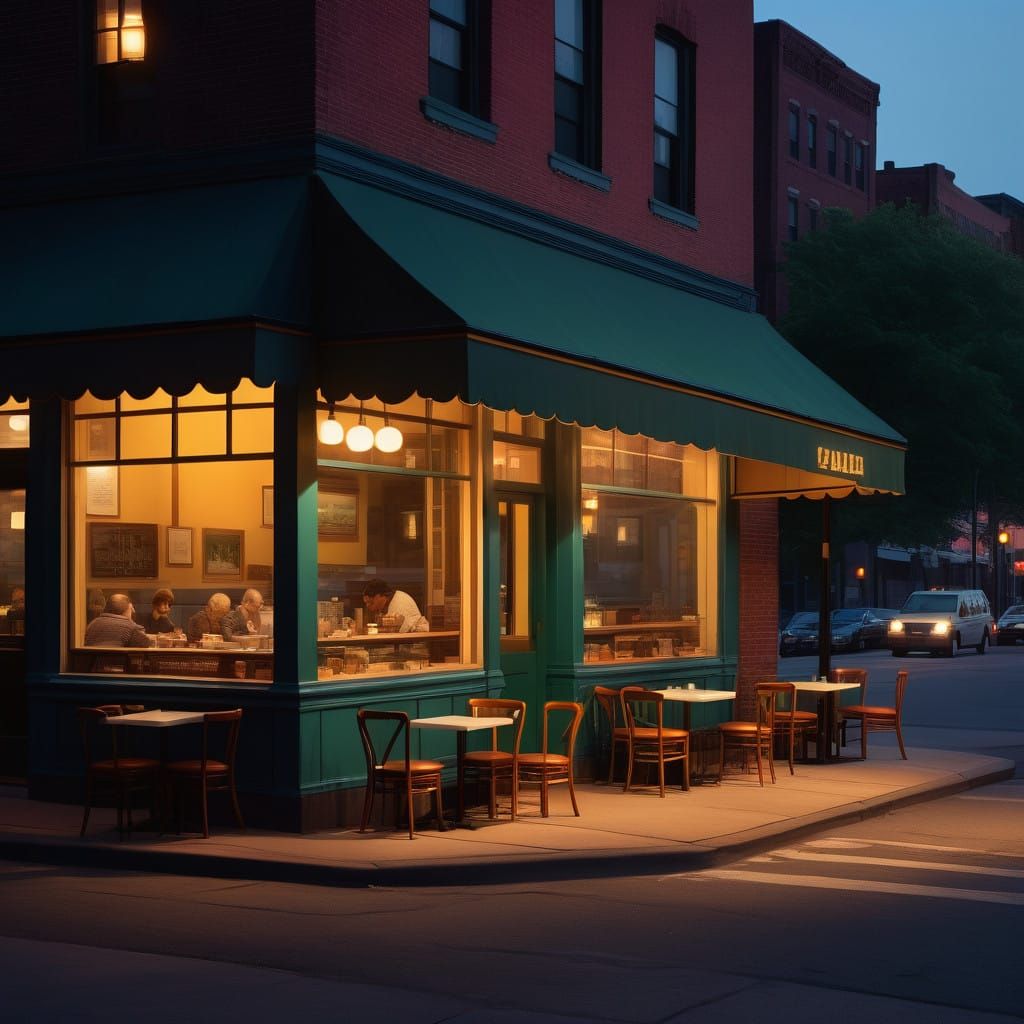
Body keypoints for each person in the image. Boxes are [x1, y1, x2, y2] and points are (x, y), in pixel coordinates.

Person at [84, 594, 152, 648]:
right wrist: (130, 619)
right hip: (116, 664)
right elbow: (146, 643)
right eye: (131, 609)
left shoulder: (93, 624)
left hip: (91, 664)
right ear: (128, 608)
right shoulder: (130, 627)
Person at [362, 578, 429, 633]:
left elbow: (400, 632)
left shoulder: (400, 603)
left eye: (371, 603)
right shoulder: (389, 601)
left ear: (380, 596)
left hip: (415, 642)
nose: (368, 606)